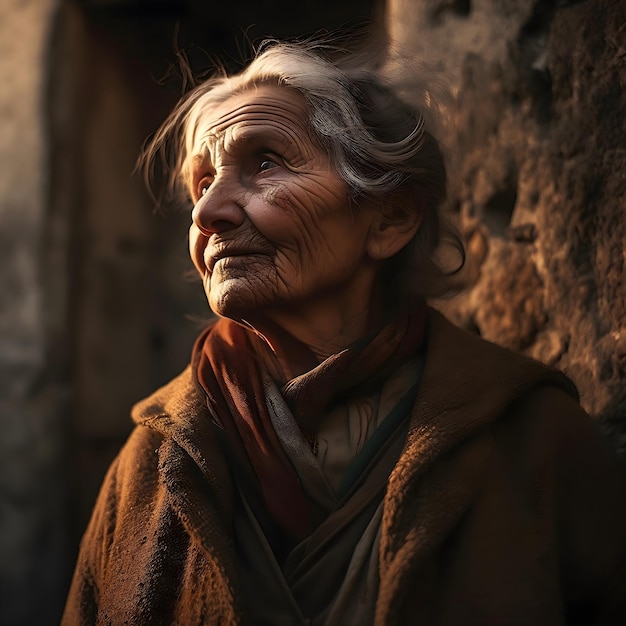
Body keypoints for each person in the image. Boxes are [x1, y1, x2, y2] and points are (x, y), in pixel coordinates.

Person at [62, 38, 626, 626]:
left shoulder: (530, 438)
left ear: (391, 218)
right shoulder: (153, 460)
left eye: (265, 162)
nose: (207, 212)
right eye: (203, 182)